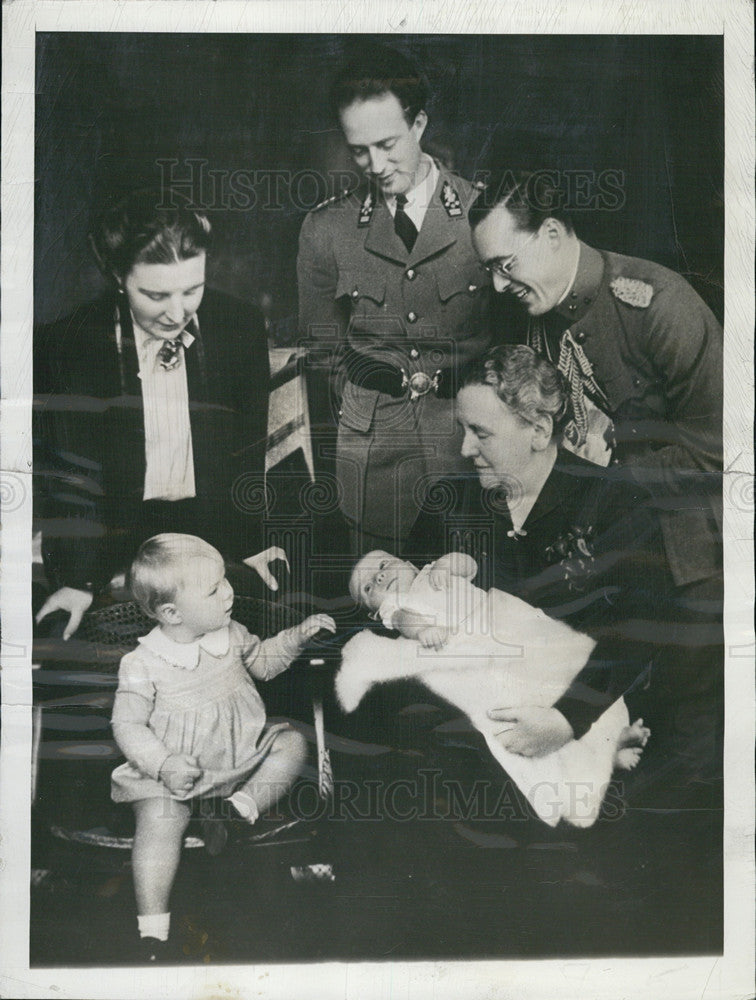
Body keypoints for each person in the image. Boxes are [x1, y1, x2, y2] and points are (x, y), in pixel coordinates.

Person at [468, 173, 723, 766]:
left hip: (687, 569)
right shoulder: (533, 315)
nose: (497, 284)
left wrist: (610, 480)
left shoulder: (659, 303)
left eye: (505, 264)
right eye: (489, 270)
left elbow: (723, 453)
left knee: (680, 762)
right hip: (594, 575)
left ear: (553, 233)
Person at [406, 345, 677, 769]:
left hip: (592, 741)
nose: (464, 449)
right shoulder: (447, 503)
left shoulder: (618, 503)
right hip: (466, 742)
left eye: (481, 432)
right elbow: (403, 603)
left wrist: (567, 720)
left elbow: (641, 626)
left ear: (537, 430)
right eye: (462, 429)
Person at [34, 189, 285, 639]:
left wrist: (250, 543)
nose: (177, 313)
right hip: (116, 538)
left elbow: (247, 453)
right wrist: (77, 579)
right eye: (155, 294)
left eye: (193, 289)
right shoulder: (70, 343)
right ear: (117, 275)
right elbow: (72, 475)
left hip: (213, 532)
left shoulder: (239, 326)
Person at [297, 44, 503, 554]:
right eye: (358, 150)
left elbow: (514, 341)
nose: (375, 164)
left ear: (419, 125)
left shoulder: (485, 214)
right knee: (380, 602)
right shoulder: (325, 230)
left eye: (388, 144)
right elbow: (324, 353)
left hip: (471, 445)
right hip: (373, 457)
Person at [110, 533, 335, 961]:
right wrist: (163, 763)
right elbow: (128, 725)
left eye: (224, 580)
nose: (229, 592)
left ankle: (236, 812)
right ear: (171, 613)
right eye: (214, 589)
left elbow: (263, 665)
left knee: (290, 744)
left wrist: (296, 636)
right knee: (159, 824)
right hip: (176, 776)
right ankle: (152, 931)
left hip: (239, 760)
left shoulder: (229, 633)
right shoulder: (142, 662)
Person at [340, 548, 650, 827]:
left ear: (408, 562)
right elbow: (407, 621)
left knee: (562, 673)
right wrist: (425, 630)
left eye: (383, 564)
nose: (379, 577)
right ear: (373, 613)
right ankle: (594, 766)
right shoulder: (396, 608)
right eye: (368, 587)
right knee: (523, 716)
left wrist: (447, 564)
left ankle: (610, 733)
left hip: (505, 623)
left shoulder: (433, 570)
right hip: (475, 656)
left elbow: (468, 564)